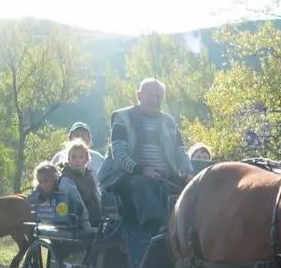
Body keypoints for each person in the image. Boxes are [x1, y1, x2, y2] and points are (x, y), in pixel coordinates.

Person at [97, 78, 194, 230]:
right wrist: (142, 170)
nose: (154, 99)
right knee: (140, 183)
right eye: (149, 95)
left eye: (158, 96)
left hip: (163, 175)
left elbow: (180, 152)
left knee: (193, 188)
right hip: (126, 175)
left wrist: (188, 173)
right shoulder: (122, 118)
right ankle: (158, 228)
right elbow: (119, 153)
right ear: (139, 95)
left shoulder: (169, 122)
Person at [26, 162, 91, 229]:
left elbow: (78, 205)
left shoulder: (65, 185)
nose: (43, 185)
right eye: (40, 182)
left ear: (54, 178)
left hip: (79, 223)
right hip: (57, 224)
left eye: (46, 181)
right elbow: (30, 199)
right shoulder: (42, 187)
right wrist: (41, 201)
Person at [60, 139, 102, 224]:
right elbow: (77, 203)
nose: (77, 160)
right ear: (68, 159)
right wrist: (86, 223)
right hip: (78, 222)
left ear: (86, 159)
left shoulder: (89, 176)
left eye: (81, 157)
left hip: (95, 218)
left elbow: (97, 196)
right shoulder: (67, 178)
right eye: (74, 157)